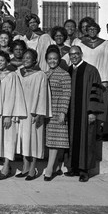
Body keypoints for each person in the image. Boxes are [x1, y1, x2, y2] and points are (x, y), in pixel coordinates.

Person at [66, 46, 104, 182]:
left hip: (85, 113)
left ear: (81, 54)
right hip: (71, 113)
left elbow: (97, 91)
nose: (74, 56)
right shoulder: (69, 70)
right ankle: (73, 167)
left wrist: (92, 112)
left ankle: (84, 171)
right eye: (71, 54)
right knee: (72, 138)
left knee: (86, 140)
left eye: (76, 54)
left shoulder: (91, 70)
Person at [16, 49, 51, 181]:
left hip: (33, 112)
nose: (25, 60)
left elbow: (43, 95)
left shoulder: (40, 75)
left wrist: (40, 113)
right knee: (23, 140)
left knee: (35, 140)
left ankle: (33, 168)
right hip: (20, 112)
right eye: (24, 57)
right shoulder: (18, 73)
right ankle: (25, 166)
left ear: (35, 60)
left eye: (29, 58)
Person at [73, 21, 108, 122]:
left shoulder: (105, 44)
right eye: (90, 29)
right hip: (84, 75)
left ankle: (98, 128)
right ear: (86, 31)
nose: (92, 31)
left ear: (98, 30)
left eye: (94, 29)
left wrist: (106, 80)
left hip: (100, 78)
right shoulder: (80, 44)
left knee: (97, 102)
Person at [0, 51, 27, 180]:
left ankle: (7, 167)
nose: (0, 63)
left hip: (8, 113)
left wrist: (8, 115)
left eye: (2, 60)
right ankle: (5, 165)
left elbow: (13, 96)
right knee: (1, 140)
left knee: (8, 140)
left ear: (7, 62)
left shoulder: (12, 75)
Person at [43, 46, 71, 181]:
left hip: (57, 109)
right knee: (50, 140)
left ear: (59, 59)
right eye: (50, 59)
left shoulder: (64, 74)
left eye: (55, 58)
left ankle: (49, 169)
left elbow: (67, 94)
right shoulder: (46, 73)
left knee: (55, 140)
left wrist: (63, 112)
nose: (52, 61)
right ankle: (56, 166)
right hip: (47, 110)